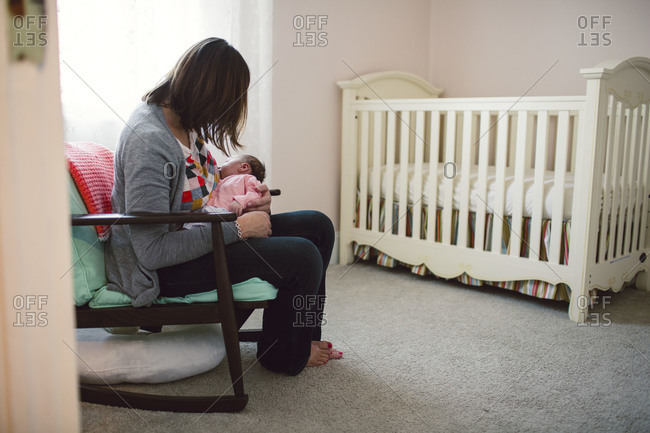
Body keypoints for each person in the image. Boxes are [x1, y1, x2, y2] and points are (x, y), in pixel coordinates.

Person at [104, 37, 342, 375]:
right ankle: (283, 356)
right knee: (302, 255)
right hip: (164, 271)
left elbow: (210, 190)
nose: (222, 115)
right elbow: (152, 252)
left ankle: (298, 339)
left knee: (317, 226)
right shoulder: (150, 142)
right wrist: (241, 229)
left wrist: (255, 201)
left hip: (203, 234)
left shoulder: (185, 126)